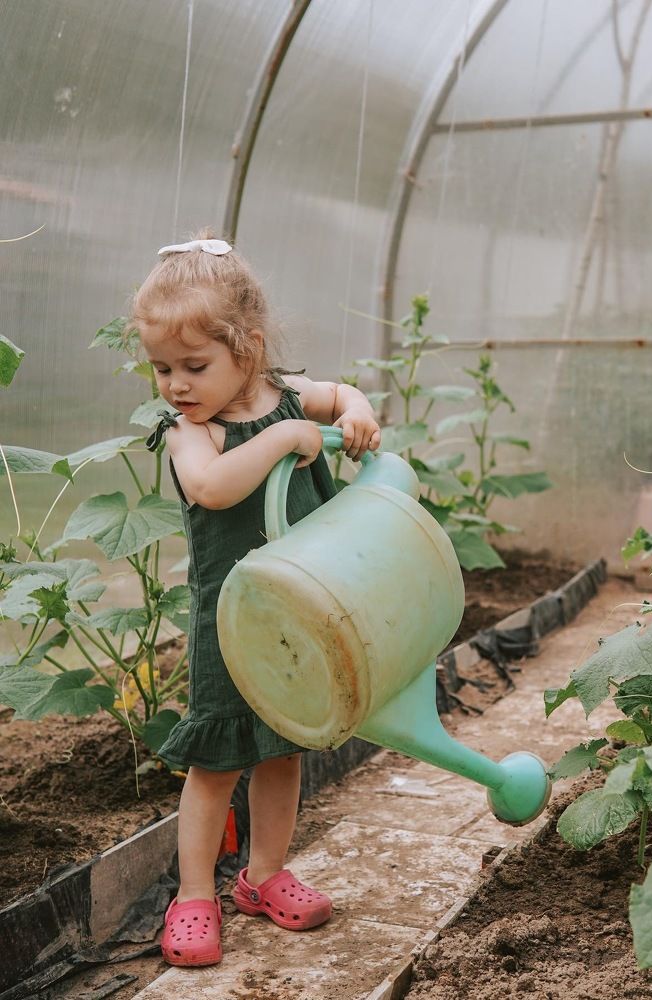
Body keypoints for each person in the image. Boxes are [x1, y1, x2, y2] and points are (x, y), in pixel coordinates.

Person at [136, 232, 381, 967]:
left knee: (282, 749)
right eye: (162, 369)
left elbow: (342, 395)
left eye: (194, 366)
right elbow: (212, 488)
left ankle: (265, 875)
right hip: (230, 620)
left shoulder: (288, 396)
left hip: (300, 613)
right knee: (216, 761)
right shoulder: (192, 433)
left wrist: (357, 411)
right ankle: (193, 895)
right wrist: (286, 440)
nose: (176, 384)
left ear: (249, 348)